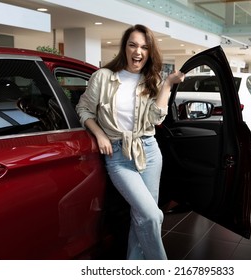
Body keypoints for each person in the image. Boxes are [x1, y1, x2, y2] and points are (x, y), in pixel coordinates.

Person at [76, 24, 185, 260]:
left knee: (141, 217)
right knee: (152, 216)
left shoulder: (151, 79)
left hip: (149, 152)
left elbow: (156, 119)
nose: (138, 51)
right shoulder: (103, 77)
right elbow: (83, 108)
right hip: (118, 155)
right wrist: (99, 133)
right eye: (133, 45)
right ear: (124, 47)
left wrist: (166, 85)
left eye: (144, 47)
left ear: (149, 51)